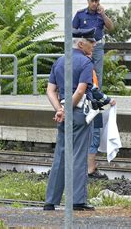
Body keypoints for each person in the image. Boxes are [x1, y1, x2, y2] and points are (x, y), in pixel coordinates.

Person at [43, 28, 98, 211]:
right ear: (81, 44)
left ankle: (51, 200)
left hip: (63, 114)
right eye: (91, 42)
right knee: (79, 155)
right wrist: (67, 109)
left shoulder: (59, 61)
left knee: (61, 154)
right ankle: (76, 201)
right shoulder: (85, 62)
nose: (94, 45)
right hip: (78, 113)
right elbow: (81, 90)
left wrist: (59, 109)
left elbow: (50, 90)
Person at [72, 0, 114, 178]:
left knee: (96, 73)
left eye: (97, 1)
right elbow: (72, 31)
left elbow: (111, 28)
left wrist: (104, 14)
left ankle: (96, 91)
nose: (94, 3)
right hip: (84, 46)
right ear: (88, 1)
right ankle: (94, 93)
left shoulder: (100, 16)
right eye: (92, 0)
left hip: (98, 46)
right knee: (86, 71)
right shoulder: (81, 15)